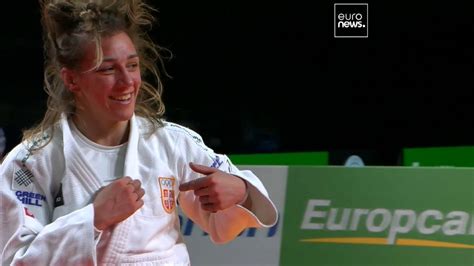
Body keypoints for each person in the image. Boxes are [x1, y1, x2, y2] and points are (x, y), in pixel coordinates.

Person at [0, 0, 277, 265]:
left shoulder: (171, 143)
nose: (127, 82)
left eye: (132, 65)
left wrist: (240, 191)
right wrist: (93, 218)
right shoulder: (31, 162)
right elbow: (15, 260)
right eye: (108, 69)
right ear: (71, 79)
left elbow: (224, 223)